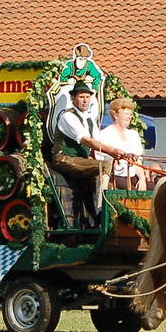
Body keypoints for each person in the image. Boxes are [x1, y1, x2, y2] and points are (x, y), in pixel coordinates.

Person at [48, 80, 108, 226]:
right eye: (81, 97)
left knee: (101, 171)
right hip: (63, 158)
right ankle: (102, 209)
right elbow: (87, 141)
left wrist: (123, 155)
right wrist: (112, 152)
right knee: (105, 165)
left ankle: (93, 220)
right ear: (73, 98)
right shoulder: (67, 117)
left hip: (79, 160)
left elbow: (97, 145)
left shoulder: (90, 120)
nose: (85, 100)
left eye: (87, 97)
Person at [93, 96, 146, 190]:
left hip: (132, 174)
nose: (129, 117)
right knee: (132, 193)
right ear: (116, 115)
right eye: (126, 114)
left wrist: (142, 179)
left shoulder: (134, 134)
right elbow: (101, 160)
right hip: (114, 175)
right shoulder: (104, 134)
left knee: (154, 190)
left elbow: (138, 160)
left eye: (130, 114)